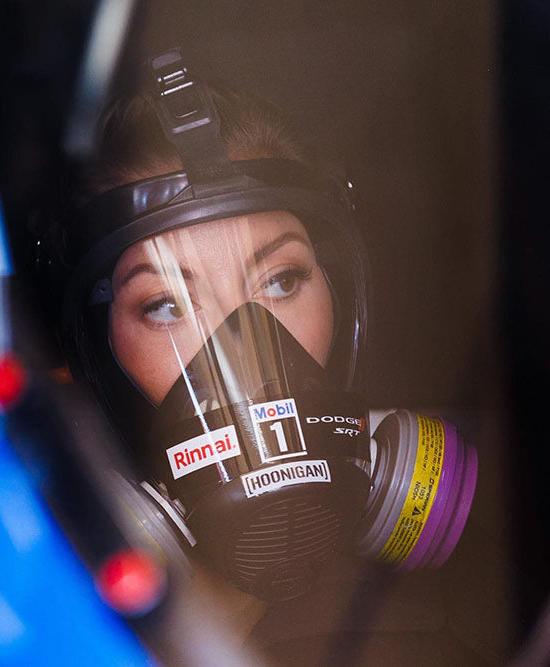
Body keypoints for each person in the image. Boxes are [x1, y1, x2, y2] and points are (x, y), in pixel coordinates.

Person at [49, 49, 491, 662]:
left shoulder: (483, 600)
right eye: (167, 305)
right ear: (101, 352)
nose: (243, 344)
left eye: (280, 281)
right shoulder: (41, 617)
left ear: (337, 289)